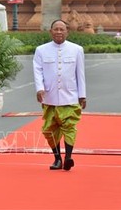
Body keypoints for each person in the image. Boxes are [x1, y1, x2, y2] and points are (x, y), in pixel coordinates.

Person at [33, 19, 87, 171]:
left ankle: (68, 157)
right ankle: (57, 159)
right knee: (49, 129)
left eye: (61, 29)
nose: (58, 32)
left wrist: (82, 95)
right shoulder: (41, 50)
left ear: (67, 32)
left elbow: (80, 74)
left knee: (70, 127)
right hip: (49, 97)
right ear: (51, 31)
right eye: (55, 29)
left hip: (70, 96)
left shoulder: (77, 49)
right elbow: (37, 71)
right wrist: (39, 89)